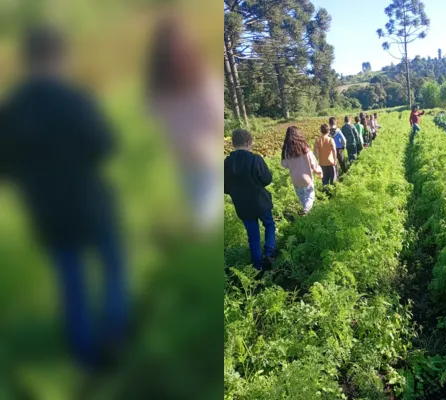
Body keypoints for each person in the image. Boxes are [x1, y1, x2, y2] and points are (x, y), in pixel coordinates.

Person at [0, 25, 127, 371]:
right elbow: (104, 145)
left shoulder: (11, 108)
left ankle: (86, 356)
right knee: (113, 266)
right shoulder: (75, 99)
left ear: (27, 60)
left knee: (71, 281)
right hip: (90, 200)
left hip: (47, 208)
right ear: (59, 57)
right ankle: (115, 334)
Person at [146, 17, 224, 236]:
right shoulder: (162, 88)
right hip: (184, 163)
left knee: (204, 224)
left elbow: (216, 118)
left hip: (203, 162)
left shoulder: (202, 81)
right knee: (198, 223)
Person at [224, 129, 276, 271]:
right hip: (260, 202)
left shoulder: (227, 163)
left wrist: (237, 192)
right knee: (269, 225)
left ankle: (257, 266)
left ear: (233, 144)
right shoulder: (255, 159)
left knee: (253, 236)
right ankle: (270, 253)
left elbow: (224, 187)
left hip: (242, 206)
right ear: (248, 142)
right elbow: (267, 179)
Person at [281, 126, 323, 215]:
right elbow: (314, 164)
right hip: (307, 179)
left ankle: (306, 214)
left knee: (303, 199)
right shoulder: (305, 150)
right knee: (310, 197)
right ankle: (305, 212)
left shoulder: (287, 152)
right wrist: (319, 173)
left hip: (295, 180)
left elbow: (284, 165)